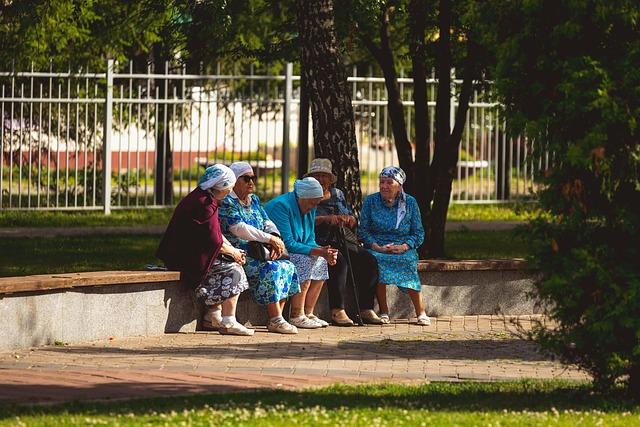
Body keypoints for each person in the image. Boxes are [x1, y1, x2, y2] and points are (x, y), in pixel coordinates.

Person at [156, 164, 254, 336]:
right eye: (229, 187)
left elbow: (214, 232)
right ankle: (228, 321)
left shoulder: (204, 197)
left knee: (230, 261)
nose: (230, 190)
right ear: (222, 186)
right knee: (234, 270)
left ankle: (213, 316)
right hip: (184, 258)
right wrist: (234, 253)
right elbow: (213, 240)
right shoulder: (204, 203)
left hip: (189, 253)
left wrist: (232, 249)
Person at [218, 162, 301, 334]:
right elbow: (239, 228)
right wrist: (269, 239)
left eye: (253, 178)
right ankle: (275, 318)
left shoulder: (253, 199)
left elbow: (266, 221)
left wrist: (276, 238)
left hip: (261, 250)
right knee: (270, 268)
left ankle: (278, 318)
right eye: (246, 178)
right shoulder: (227, 201)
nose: (251, 182)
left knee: (287, 266)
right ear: (234, 181)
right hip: (240, 252)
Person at [305, 158, 383, 326]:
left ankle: (366, 308)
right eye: (317, 175)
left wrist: (348, 219)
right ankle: (337, 310)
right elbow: (302, 220)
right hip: (316, 239)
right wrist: (326, 219)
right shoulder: (304, 194)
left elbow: (347, 215)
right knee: (338, 261)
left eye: (324, 176)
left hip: (340, 237)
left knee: (368, 260)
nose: (321, 179)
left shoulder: (337, 194)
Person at [358, 166, 431, 326]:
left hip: (402, 246)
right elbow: (363, 230)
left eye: (389, 182)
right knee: (375, 261)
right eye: (382, 182)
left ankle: (421, 312)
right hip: (378, 246)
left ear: (399, 185)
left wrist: (404, 246)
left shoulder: (410, 202)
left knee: (407, 261)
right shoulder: (371, 201)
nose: (384, 186)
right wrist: (376, 247)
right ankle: (384, 311)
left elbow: (418, 233)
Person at [264, 177, 338, 329]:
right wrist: (318, 251)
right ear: (301, 197)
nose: (313, 207)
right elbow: (288, 244)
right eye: (312, 203)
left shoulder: (309, 206)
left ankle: (308, 313)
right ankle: (296, 315)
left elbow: (310, 238)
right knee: (303, 260)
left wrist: (324, 251)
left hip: (294, 249)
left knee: (320, 260)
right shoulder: (282, 206)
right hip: (275, 251)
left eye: (316, 203)